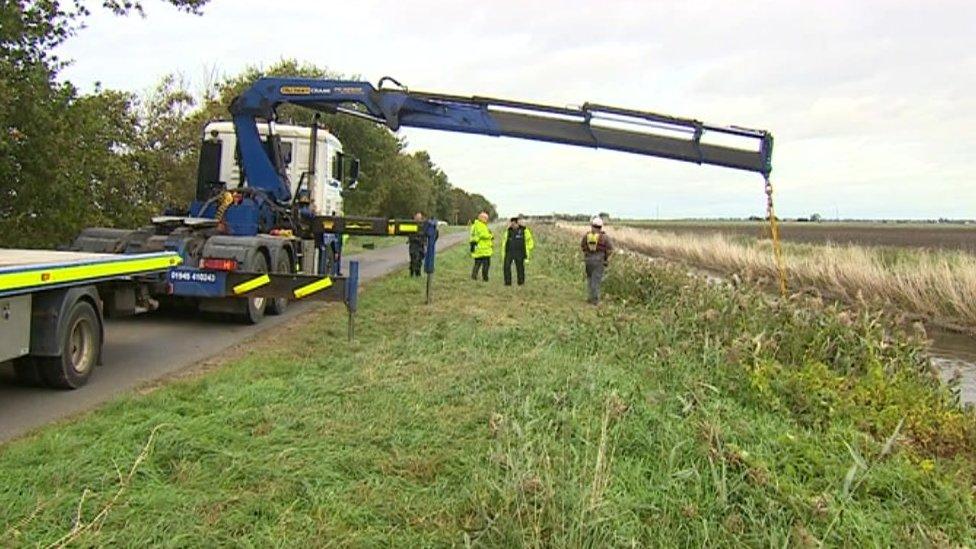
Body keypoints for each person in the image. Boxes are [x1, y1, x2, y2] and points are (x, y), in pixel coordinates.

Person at [580, 216, 613, 304]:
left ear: (592, 226)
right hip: (599, 261)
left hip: (588, 260)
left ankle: (590, 298)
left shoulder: (586, 236)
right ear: (601, 226)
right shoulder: (605, 237)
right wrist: (606, 258)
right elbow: (610, 249)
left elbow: (582, 246)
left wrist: (587, 254)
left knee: (590, 279)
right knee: (596, 280)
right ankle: (595, 300)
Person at [501, 215, 535, 286]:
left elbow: (530, 240)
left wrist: (528, 248)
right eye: (511, 224)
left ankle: (521, 282)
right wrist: (504, 251)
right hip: (509, 252)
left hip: (520, 252)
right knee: (506, 267)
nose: (512, 225)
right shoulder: (508, 231)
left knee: (520, 268)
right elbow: (504, 241)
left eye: (514, 224)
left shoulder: (524, 230)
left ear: (517, 223)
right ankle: (507, 283)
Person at [469, 211, 493, 281]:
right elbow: (483, 234)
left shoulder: (475, 225)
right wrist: (490, 236)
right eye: (485, 218)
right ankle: (485, 278)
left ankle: (474, 277)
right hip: (483, 249)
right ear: (481, 218)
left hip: (478, 248)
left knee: (477, 264)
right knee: (486, 265)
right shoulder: (480, 225)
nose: (487, 219)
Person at [407, 212, 426, 277]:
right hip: (413, 246)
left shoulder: (423, 225)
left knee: (419, 260)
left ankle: (418, 274)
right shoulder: (411, 225)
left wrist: (424, 242)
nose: (418, 219)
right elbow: (410, 236)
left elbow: (425, 235)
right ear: (415, 218)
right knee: (413, 260)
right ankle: (412, 274)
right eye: (417, 217)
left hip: (420, 246)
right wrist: (417, 239)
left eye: (419, 218)